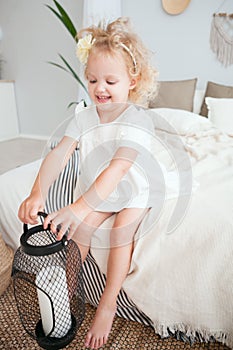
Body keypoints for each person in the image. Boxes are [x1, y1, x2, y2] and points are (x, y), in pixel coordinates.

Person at [18, 17, 158, 349]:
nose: (100, 88)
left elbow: (119, 169)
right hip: (99, 188)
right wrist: (38, 192)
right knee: (80, 231)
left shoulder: (138, 119)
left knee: (121, 230)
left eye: (111, 80)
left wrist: (79, 206)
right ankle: (62, 294)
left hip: (133, 187)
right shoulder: (84, 116)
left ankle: (108, 303)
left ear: (132, 82)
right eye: (93, 79)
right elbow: (60, 154)